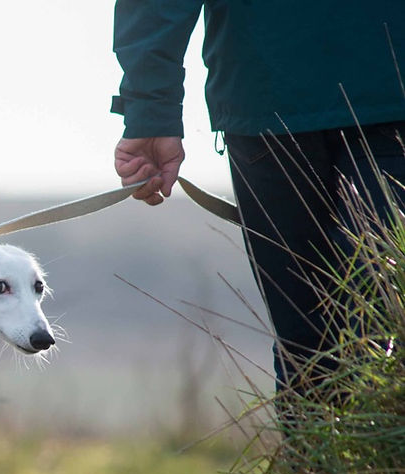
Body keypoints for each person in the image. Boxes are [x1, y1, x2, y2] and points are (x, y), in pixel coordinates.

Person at [111, 2, 405, 395]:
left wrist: (150, 112)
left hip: (267, 93)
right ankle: (334, 456)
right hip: (288, 101)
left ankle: (325, 455)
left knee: (316, 346)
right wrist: (149, 114)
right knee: (360, 332)